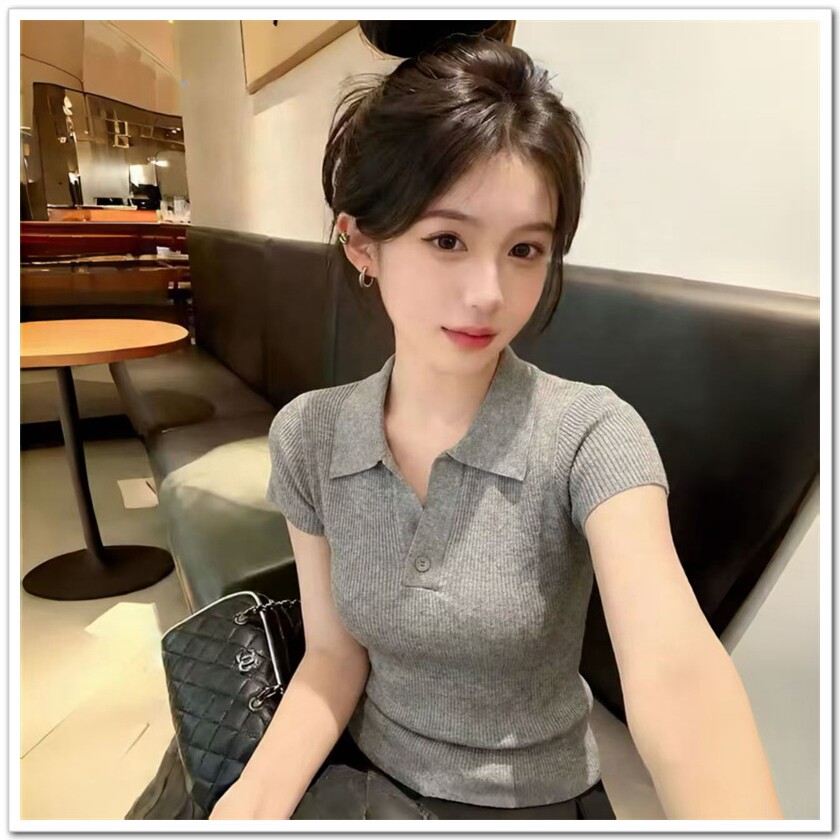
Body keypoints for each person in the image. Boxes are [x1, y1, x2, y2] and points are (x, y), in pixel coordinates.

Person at [210, 24, 643, 820]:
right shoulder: (310, 436)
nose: (489, 294)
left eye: (525, 250)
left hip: (534, 803)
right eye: (447, 239)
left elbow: (676, 672)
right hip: (369, 778)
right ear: (362, 245)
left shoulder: (590, 434)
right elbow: (332, 657)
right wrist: (252, 803)